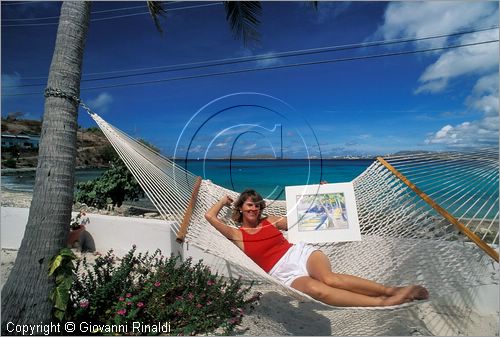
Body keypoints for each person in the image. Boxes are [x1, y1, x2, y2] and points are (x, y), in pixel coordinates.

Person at [205, 188, 429, 307]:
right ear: (241, 208)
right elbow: (209, 216)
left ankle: (392, 291)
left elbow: (305, 217)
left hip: (300, 254)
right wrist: (223, 200)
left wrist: (324, 194)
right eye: (249, 205)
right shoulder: (236, 234)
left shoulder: (271, 221)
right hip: (282, 273)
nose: (254, 208)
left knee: (329, 279)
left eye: (257, 204)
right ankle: (380, 302)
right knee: (317, 290)